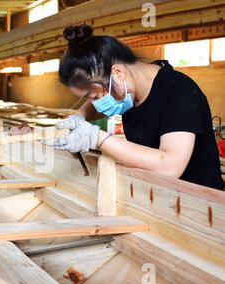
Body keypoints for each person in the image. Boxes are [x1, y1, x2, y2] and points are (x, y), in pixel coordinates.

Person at [52, 25, 224, 190]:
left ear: (118, 73)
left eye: (96, 96)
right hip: (159, 194)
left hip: (200, 203)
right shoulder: (131, 87)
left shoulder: (179, 93)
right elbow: (94, 101)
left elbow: (169, 166)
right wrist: (79, 116)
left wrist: (96, 138)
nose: (97, 103)